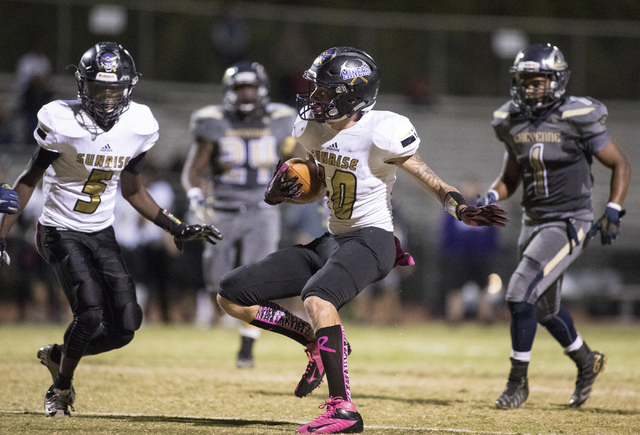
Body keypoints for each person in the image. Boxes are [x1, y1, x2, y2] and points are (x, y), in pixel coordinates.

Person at [216, 46, 507, 434]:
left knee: (317, 297)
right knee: (231, 293)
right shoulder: (311, 130)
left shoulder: (382, 130)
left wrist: (459, 208)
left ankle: (343, 410)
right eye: (315, 89)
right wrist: (285, 190)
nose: (314, 98)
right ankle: (312, 341)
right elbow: (320, 186)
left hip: (372, 240)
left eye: (324, 91)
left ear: (352, 96)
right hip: (332, 238)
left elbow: (431, 180)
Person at [0, 41, 222, 418]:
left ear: (128, 88)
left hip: (100, 231)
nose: (105, 98)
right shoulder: (61, 121)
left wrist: (176, 227)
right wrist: (2, 231)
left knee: (125, 326)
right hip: (59, 228)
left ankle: (58, 355)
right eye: (99, 88)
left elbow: (133, 190)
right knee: (88, 313)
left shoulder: (139, 125)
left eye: (113, 89)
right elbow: (28, 178)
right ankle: (62, 387)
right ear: (83, 87)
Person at [478, 43, 631, 410]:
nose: (530, 88)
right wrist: (490, 195)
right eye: (524, 81)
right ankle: (587, 361)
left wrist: (612, 208)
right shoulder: (510, 120)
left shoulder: (577, 115)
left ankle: (517, 384)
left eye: (538, 81)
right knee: (545, 310)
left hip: (568, 222)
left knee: (517, 294)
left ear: (557, 81)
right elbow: (509, 178)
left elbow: (620, 163)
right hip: (532, 223)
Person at [181, 61, 297, 368]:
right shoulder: (213, 121)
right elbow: (193, 170)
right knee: (216, 282)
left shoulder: (282, 120)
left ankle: (247, 344)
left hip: (262, 210)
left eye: (250, 87)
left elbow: (298, 162)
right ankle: (234, 322)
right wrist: (196, 196)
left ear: (262, 90)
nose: (246, 94)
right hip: (222, 209)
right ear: (228, 91)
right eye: (239, 88)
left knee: (255, 281)